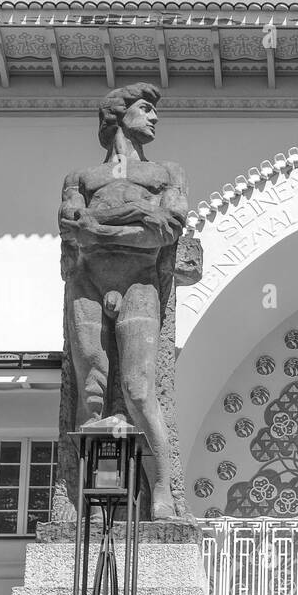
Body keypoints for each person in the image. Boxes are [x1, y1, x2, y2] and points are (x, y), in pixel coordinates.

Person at [59, 83, 188, 519]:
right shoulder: (81, 178)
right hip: (87, 284)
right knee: (92, 388)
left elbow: (164, 232)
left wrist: (99, 227)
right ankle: (90, 501)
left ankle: (163, 489)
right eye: (145, 109)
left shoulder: (167, 172)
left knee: (137, 388)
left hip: (140, 283)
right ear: (118, 114)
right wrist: (137, 214)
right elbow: (72, 231)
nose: (154, 118)